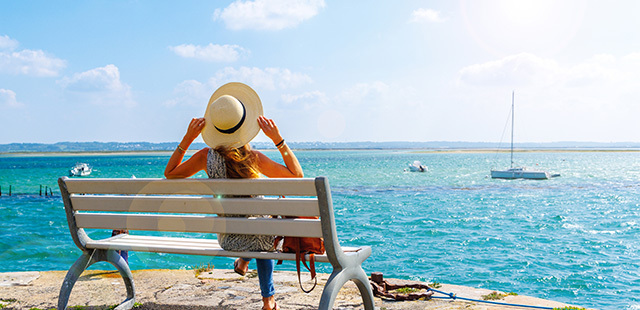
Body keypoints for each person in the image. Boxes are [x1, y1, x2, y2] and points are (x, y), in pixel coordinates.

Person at [164, 82, 303, 310]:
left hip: (227, 238)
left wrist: (187, 139)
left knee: (258, 228)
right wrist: (278, 140)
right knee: (263, 231)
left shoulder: (204, 157)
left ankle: (242, 262)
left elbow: (169, 173)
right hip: (259, 237)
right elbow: (297, 176)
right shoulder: (254, 158)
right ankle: (268, 301)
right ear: (245, 125)